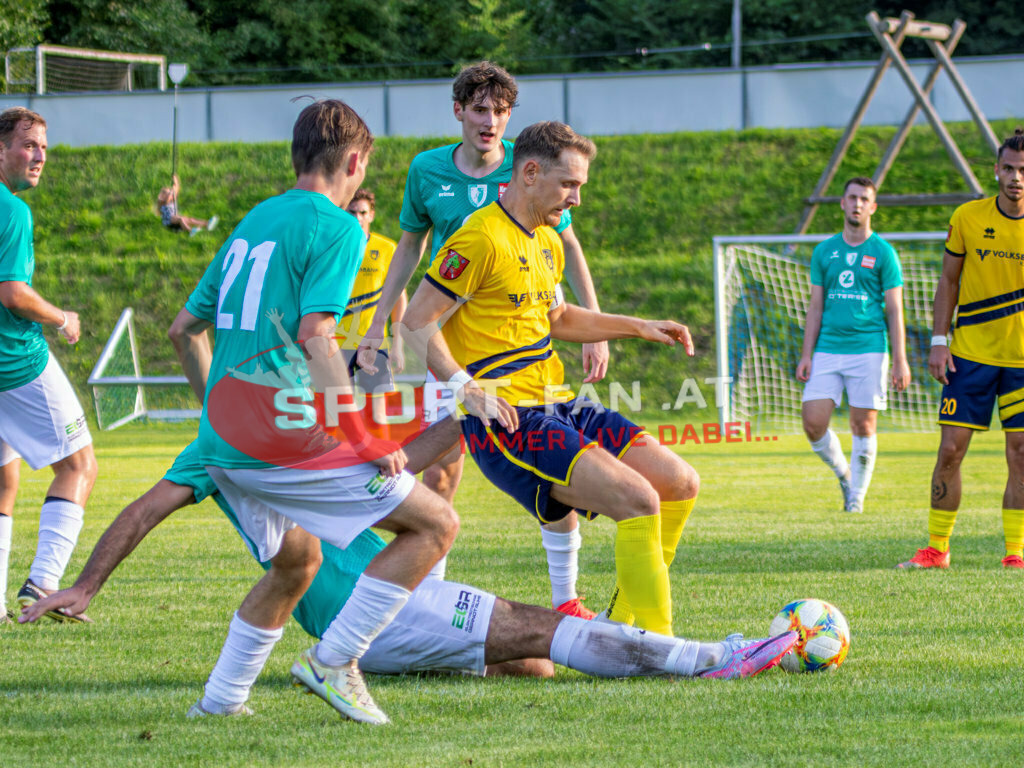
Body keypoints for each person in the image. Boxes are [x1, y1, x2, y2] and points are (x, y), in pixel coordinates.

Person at [20, 439, 799, 697]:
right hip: (377, 604)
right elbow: (145, 508)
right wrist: (85, 584)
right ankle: (715, 660)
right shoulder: (243, 438)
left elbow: (148, 505)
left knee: (535, 668)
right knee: (546, 628)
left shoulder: (278, 426)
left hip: (395, 594)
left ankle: (367, 660)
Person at [166, 99, 470, 724]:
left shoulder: (255, 219)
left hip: (224, 445)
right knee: (436, 524)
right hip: (280, 442)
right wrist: (360, 436)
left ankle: (220, 703)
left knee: (296, 563)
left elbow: (183, 329)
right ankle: (336, 659)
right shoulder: (339, 227)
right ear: (356, 161)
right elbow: (318, 336)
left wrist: (220, 415)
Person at [402, 121, 701, 639]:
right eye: (570, 184)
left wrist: (636, 326)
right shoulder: (477, 238)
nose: (577, 199)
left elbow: (557, 320)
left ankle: (623, 629)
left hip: (559, 402)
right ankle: (659, 648)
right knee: (639, 501)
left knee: (678, 484)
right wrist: (466, 389)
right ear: (531, 173)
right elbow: (414, 323)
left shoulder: (546, 242)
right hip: (509, 416)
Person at [358, 61, 609, 619]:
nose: (489, 121)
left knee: (552, 461)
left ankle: (566, 598)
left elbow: (568, 247)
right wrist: (379, 320)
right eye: (479, 109)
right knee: (441, 467)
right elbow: (409, 248)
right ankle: (430, 597)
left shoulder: (533, 169)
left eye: (500, 111)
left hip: (518, 346)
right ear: (459, 112)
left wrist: (591, 324)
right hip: (449, 344)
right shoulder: (426, 171)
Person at [898, 129, 1024, 570]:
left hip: (1022, 364)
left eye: (1023, 170)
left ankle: (1015, 553)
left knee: (1022, 451)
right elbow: (948, 281)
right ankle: (936, 549)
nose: (1016, 178)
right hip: (969, 355)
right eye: (1009, 168)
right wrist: (938, 340)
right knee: (950, 450)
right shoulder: (968, 217)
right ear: (996, 169)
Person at [0, 106, 97, 625]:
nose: (38, 156)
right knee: (79, 466)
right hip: (15, 364)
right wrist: (62, 317)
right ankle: (43, 582)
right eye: (27, 144)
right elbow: (13, 293)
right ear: (0, 149)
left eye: (43, 146)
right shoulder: (11, 211)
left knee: (3, 480)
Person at [795, 177, 910, 514]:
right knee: (813, 421)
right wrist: (806, 354)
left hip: (869, 348)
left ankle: (856, 499)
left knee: (864, 425)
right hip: (828, 348)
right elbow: (815, 306)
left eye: (864, 199)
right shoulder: (824, 251)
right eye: (852, 198)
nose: (858, 204)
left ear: (872, 207)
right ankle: (844, 473)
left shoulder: (883, 253)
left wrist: (900, 360)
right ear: (842, 204)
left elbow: (893, 309)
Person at [341, 188, 405, 404]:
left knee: (377, 412)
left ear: (371, 215)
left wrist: (397, 343)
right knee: (337, 410)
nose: (358, 218)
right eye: (352, 212)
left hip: (374, 342)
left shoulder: (386, 248)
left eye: (362, 212)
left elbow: (399, 296)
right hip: (337, 341)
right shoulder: (331, 249)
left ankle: (380, 440)